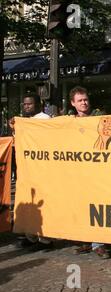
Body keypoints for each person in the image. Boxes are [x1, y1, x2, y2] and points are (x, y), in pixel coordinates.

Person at [70, 87, 111, 259]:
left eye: (85, 99)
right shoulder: (69, 121)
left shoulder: (99, 117)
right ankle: (85, 241)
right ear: (73, 103)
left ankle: (99, 243)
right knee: (80, 206)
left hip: (97, 171)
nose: (84, 103)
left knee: (97, 207)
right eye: (80, 100)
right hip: (79, 172)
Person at [10, 93, 53, 251]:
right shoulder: (24, 121)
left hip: (41, 169)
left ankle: (46, 238)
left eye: (29, 104)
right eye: (24, 104)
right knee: (29, 202)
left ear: (37, 104)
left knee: (43, 204)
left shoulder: (43, 118)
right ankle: (31, 236)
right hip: (27, 169)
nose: (26, 106)